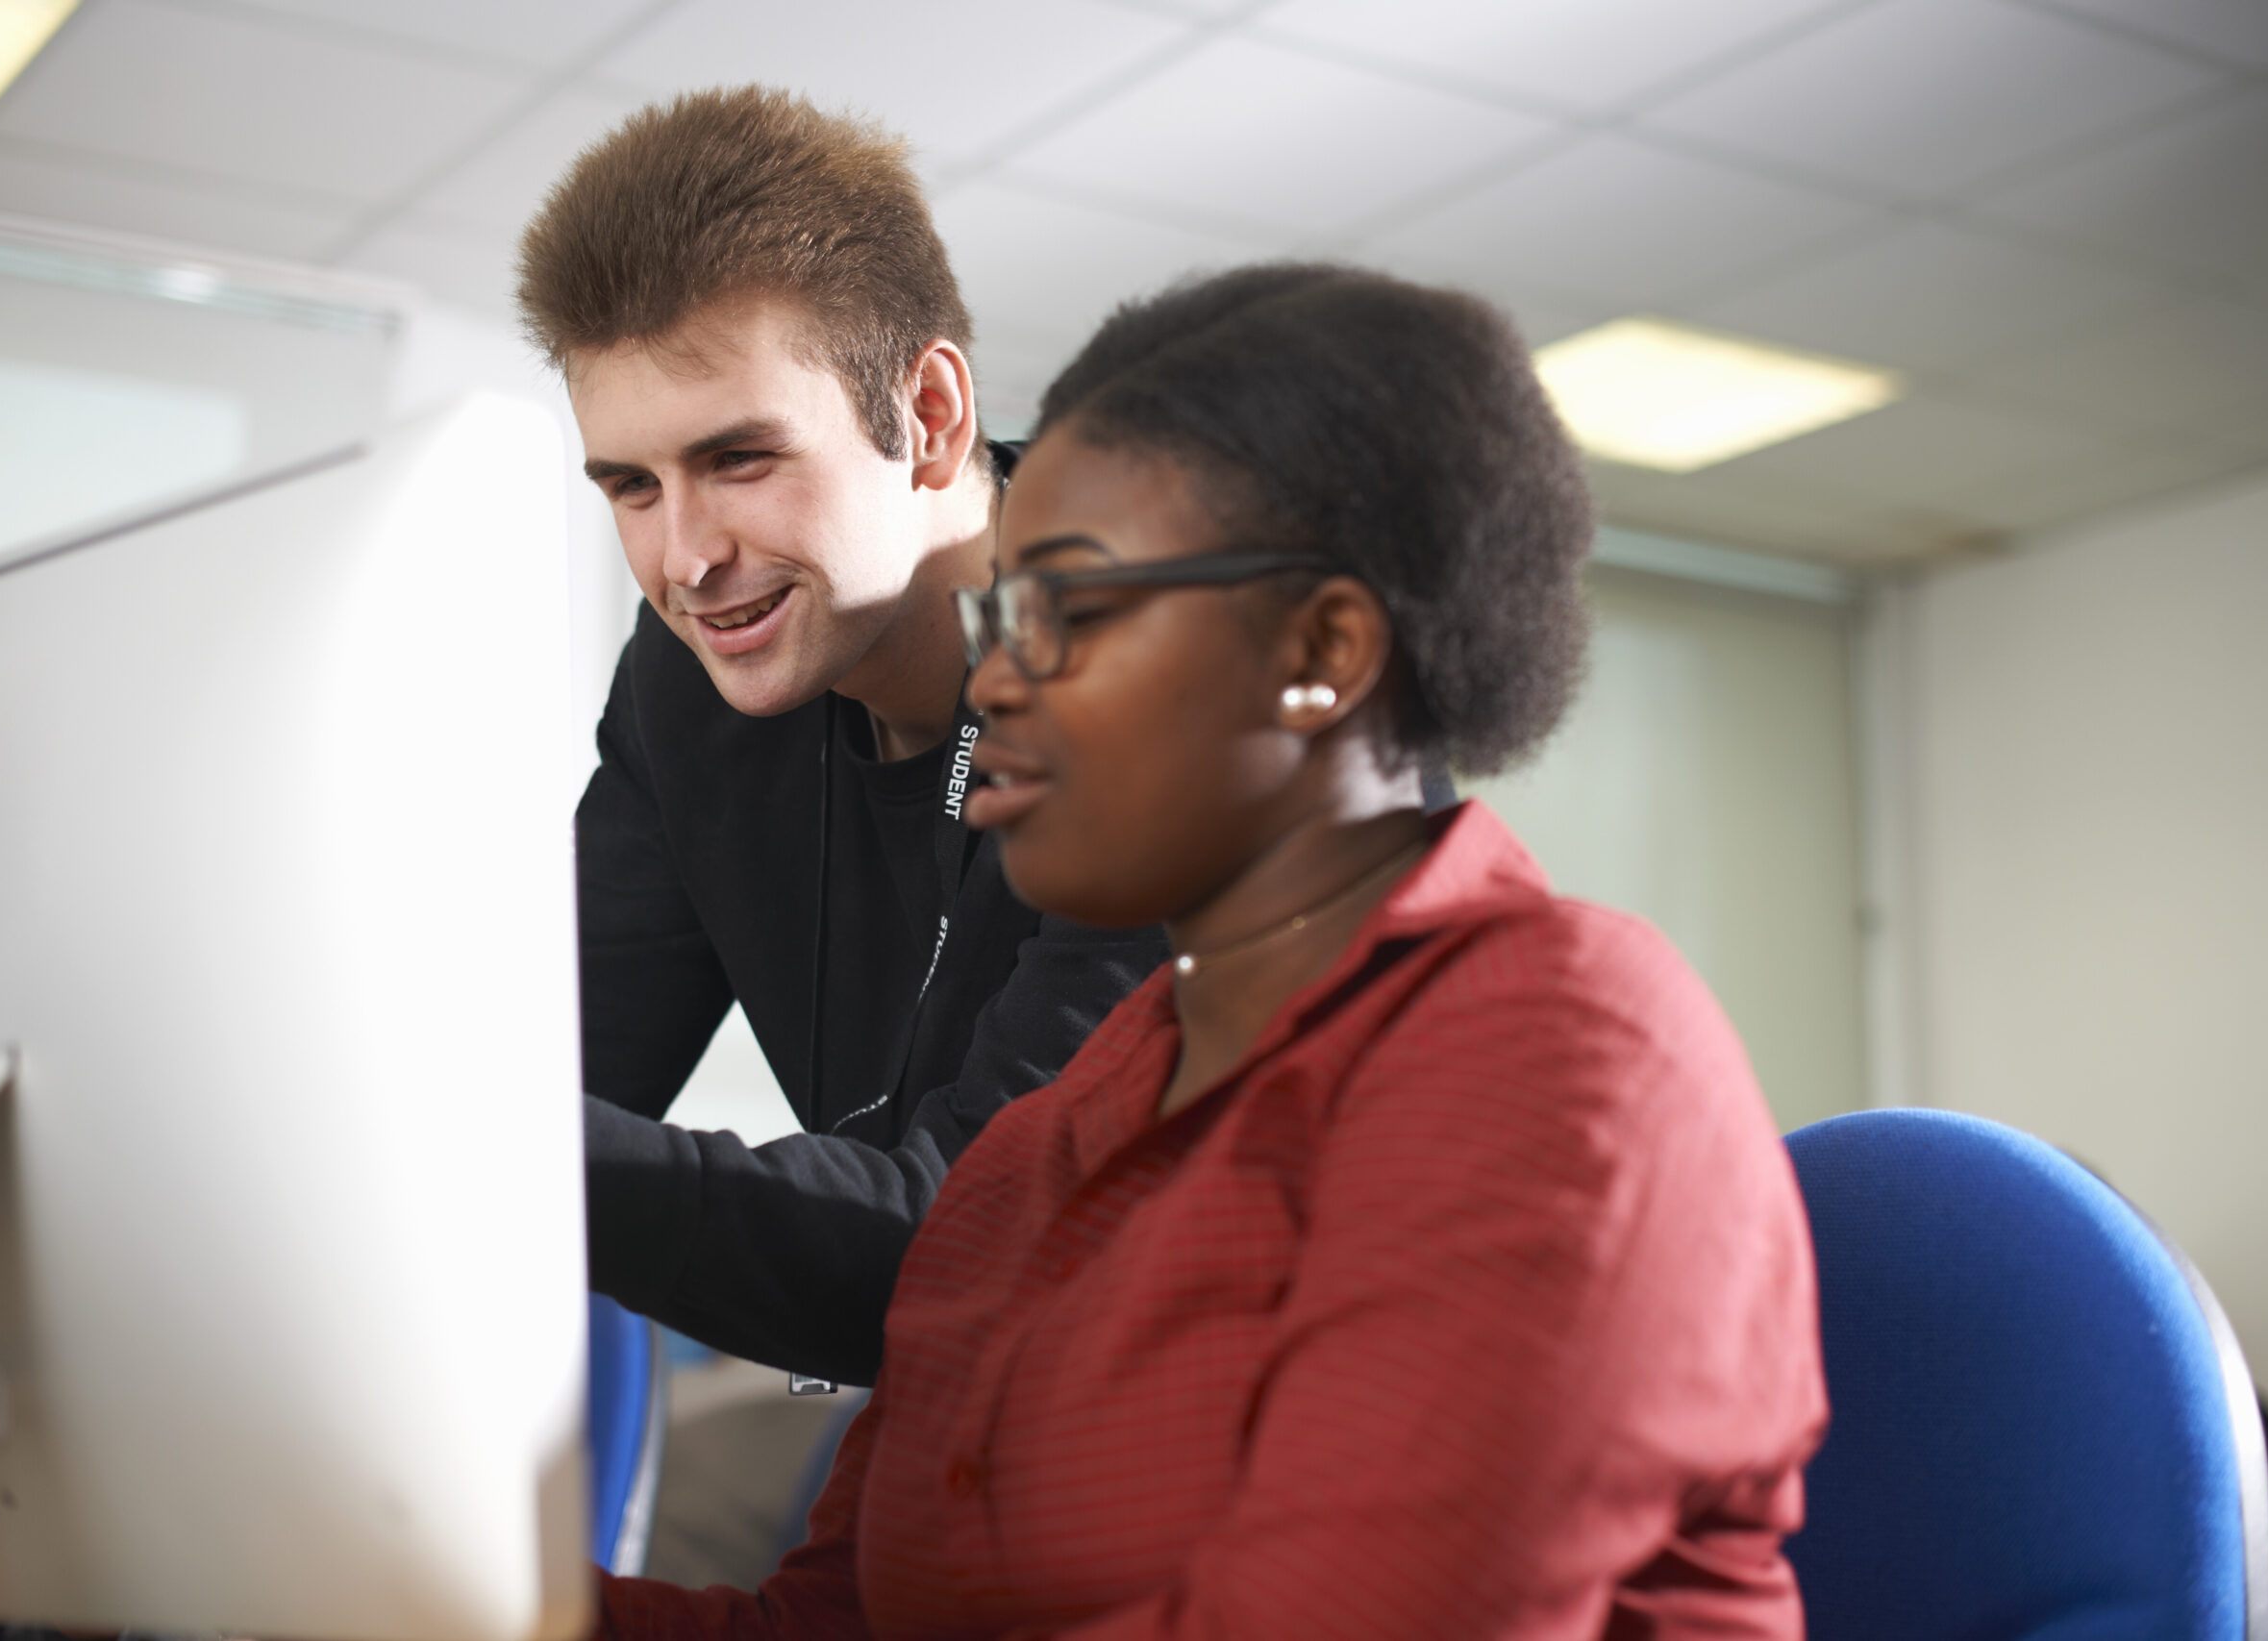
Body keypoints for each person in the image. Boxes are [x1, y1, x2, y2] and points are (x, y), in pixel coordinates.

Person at [593, 263, 1830, 1639]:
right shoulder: (1041, 1153)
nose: (994, 678)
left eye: (1062, 610)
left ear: (1322, 650)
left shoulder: (1563, 1054)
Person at [514, 87, 1168, 1386]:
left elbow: (977, 1251)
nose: (685, 560)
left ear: (928, 420)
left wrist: (464, 1138)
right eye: (632, 487)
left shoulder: (1162, 687)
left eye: (740, 460)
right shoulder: (687, 691)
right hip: (990, 1424)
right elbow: (551, 1058)